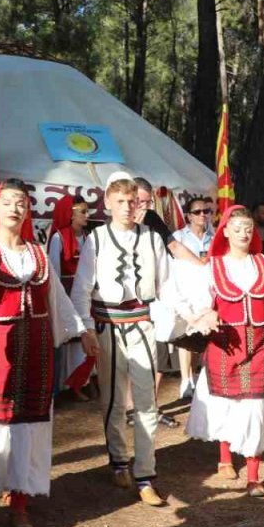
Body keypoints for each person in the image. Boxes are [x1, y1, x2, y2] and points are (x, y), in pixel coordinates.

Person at [0, 179, 100, 527]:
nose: (15, 208)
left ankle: (21, 499)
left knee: (33, 423)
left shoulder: (39, 253)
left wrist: (83, 331)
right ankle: (9, 484)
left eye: (21, 203)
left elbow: (57, 297)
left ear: (28, 211)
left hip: (39, 348)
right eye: (8, 202)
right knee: (2, 426)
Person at [168, 206, 264, 498]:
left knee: (255, 409)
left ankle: (253, 475)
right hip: (225, 344)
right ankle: (224, 455)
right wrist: (202, 315)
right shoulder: (213, 267)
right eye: (237, 228)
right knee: (224, 403)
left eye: (248, 228)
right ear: (224, 231)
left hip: (260, 344)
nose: (244, 233)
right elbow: (184, 296)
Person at [71, 173, 170, 506]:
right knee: (113, 400)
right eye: (121, 202)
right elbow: (82, 288)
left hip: (142, 322)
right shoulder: (96, 239)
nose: (128, 207)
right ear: (108, 204)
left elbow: (166, 287)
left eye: (133, 201)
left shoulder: (153, 239)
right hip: (107, 323)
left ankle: (145, 473)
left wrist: (172, 323)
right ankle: (118, 460)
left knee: (147, 402)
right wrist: (84, 329)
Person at [131, 177, 188, 426]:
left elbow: (173, 245)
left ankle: (150, 407)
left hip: (155, 300)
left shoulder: (152, 219)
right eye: (139, 201)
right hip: (125, 306)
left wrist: (201, 264)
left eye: (147, 201)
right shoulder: (113, 228)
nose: (143, 206)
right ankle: (131, 410)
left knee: (159, 356)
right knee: (128, 361)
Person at [48, 194, 92, 401]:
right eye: (82, 211)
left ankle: (82, 381)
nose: (87, 215)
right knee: (70, 339)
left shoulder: (88, 237)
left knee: (86, 338)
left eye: (87, 211)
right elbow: (54, 271)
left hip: (86, 295)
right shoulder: (59, 237)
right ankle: (66, 385)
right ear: (70, 214)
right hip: (67, 295)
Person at [169, 195, 213, 399]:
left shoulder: (213, 237)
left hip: (206, 293)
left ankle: (193, 377)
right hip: (185, 293)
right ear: (189, 216)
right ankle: (185, 380)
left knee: (198, 337)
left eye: (206, 211)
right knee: (187, 336)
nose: (202, 215)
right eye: (197, 212)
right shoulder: (178, 237)